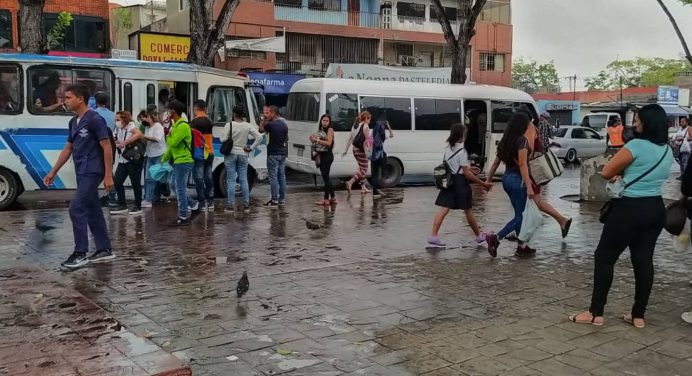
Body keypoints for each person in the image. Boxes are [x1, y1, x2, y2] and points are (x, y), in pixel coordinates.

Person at [569, 104, 673, 328]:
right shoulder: (667, 150)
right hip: (655, 209)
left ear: (646, 123)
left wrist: (620, 173)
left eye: (637, 120)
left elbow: (606, 172)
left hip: (629, 209)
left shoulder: (636, 145)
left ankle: (596, 312)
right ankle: (638, 316)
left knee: (605, 258)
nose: (634, 123)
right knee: (643, 260)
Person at [43, 84, 114, 269]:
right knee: (92, 209)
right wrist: (53, 171)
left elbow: (107, 146)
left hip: (94, 170)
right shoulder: (73, 122)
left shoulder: (94, 119)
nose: (65, 101)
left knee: (76, 208)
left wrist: (108, 175)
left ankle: (80, 252)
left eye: (68, 98)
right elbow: (68, 148)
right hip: (81, 170)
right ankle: (105, 249)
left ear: (80, 98)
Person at [428, 123, 496, 248]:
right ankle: (479, 237)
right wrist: (483, 184)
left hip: (450, 182)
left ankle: (433, 236)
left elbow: (456, 167)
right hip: (460, 183)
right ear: (462, 135)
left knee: (444, 209)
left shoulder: (448, 148)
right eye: (465, 133)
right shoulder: (462, 151)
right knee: (468, 210)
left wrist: (470, 169)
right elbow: (466, 174)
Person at [485, 112, 535, 258]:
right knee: (522, 216)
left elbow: (495, 163)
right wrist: (529, 185)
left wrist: (488, 179)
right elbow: (523, 164)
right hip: (518, 181)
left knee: (519, 213)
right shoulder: (522, 141)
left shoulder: (505, 141)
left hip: (506, 179)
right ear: (523, 125)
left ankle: (522, 246)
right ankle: (496, 238)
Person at [525, 112, 573, 239]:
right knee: (535, 201)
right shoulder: (538, 126)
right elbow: (552, 135)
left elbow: (529, 151)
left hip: (533, 168)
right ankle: (561, 220)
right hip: (540, 160)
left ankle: (520, 232)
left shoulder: (531, 128)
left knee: (535, 201)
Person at [162, 99, 199, 225]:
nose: (167, 113)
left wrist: (167, 133)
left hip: (184, 161)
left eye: (169, 110)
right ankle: (194, 205)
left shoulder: (183, 126)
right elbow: (172, 147)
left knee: (180, 188)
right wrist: (164, 159)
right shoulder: (176, 125)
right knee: (173, 185)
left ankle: (183, 216)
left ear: (174, 111)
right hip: (178, 161)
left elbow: (173, 142)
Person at [221, 105, 263, 213]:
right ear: (243, 115)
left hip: (231, 154)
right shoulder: (247, 126)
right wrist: (251, 148)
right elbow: (259, 137)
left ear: (234, 114)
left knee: (231, 180)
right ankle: (246, 206)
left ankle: (230, 206)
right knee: (243, 179)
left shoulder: (229, 125)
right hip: (244, 153)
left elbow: (223, 139)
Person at [111, 111, 144, 215]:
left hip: (133, 159)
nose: (116, 122)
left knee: (135, 183)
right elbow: (116, 139)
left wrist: (125, 142)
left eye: (118, 119)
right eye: (116, 120)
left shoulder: (131, 125)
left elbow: (139, 134)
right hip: (122, 159)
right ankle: (122, 204)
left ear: (124, 119)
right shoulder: (117, 128)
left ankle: (138, 206)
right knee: (117, 181)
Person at [259, 105, 288, 208]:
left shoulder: (270, 125)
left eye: (269, 113)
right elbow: (286, 139)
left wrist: (264, 119)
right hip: (282, 154)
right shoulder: (284, 125)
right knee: (282, 176)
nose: (268, 114)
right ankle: (282, 199)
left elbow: (261, 129)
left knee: (273, 177)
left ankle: (274, 199)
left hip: (273, 154)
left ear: (274, 113)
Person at [191, 100, 215, 211]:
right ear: (204, 108)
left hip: (199, 153)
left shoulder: (194, 122)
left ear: (196, 108)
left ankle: (201, 200)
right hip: (210, 152)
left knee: (198, 177)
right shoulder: (209, 121)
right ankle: (210, 201)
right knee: (208, 177)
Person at [141, 108, 167, 208]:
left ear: (149, 117)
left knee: (156, 177)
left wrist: (143, 136)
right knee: (149, 178)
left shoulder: (158, 126)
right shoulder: (148, 127)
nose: (142, 121)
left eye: (143, 118)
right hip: (150, 154)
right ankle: (148, 199)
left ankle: (152, 197)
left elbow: (157, 139)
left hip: (159, 154)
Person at [310, 114, 337, 206]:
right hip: (320, 155)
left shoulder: (330, 130)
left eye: (327, 121)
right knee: (326, 177)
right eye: (323, 120)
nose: (325, 122)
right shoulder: (320, 131)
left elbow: (329, 143)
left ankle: (326, 199)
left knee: (326, 177)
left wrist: (316, 140)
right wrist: (312, 139)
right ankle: (333, 198)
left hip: (327, 156)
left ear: (329, 122)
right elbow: (316, 141)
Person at [343, 111, 372, 195]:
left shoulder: (355, 126)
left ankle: (363, 188)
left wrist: (345, 150)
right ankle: (350, 182)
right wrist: (369, 150)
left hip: (355, 150)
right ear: (366, 118)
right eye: (369, 119)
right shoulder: (365, 125)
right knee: (364, 169)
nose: (370, 121)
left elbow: (350, 139)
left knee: (360, 168)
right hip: (361, 150)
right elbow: (367, 140)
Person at [369, 119, 394, 199]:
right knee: (381, 172)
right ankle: (379, 188)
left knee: (374, 174)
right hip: (380, 157)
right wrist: (388, 126)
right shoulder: (382, 136)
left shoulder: (372, 135)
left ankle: (375, 191)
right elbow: (392, 135)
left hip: (373, 156)